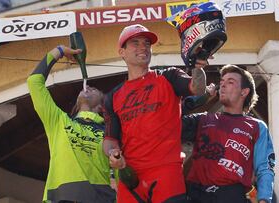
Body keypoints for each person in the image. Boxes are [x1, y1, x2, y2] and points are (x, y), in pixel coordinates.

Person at [103, 24, 210, 203]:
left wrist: (198, 67)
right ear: (122, 52)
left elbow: (197, 88)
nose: (143, 47)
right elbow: (109, 139)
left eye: (146, 43)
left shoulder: (169, 77)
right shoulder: (112, 97)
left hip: (166, 171)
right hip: (131, 176)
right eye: (135, 43)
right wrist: (113, 154)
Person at [27, 45, 116, 203]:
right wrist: (59, 51)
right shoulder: (58, 120)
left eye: (94, 88)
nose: (87, 87)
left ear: (102, 107)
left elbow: (120, 169)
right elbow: (34, 82)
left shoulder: (110, 132)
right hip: (61, 197)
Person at [182, 64, 275, 203]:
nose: (223, 86)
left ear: (244, 92)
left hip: (231, 195)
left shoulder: (257, 126)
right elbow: (168, 123)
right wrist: (200, 98)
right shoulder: (204, 119)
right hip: (195, 194)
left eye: (230, 82)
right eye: (222, 82)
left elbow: (265, 168)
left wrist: (264, 199)